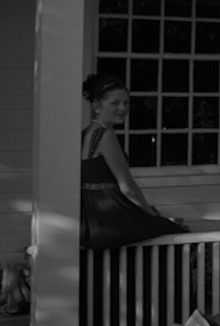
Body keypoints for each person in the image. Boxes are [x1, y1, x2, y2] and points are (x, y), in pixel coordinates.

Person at [80, 73, 187, 250]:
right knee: (177, 233)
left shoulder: (86, 133)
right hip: (108, 218)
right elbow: (127, 187)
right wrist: (150, 214)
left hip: (90, 219)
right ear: (96, 106)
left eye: (126, 103)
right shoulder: (105, 134)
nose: (123, 108)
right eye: (115, 103)